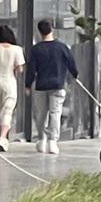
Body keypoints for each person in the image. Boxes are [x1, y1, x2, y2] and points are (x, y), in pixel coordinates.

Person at [25, 18, 78, 154]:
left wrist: (27, 84)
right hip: (57, 84)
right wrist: (75, 75)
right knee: (55, 113)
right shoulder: (62, 47)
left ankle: (41, 139)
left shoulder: (36, 49)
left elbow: (31, 69)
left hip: (41, 85)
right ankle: (52, 141)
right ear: (52, 29)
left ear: (40, 32)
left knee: (40, 114)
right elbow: (71, 63)